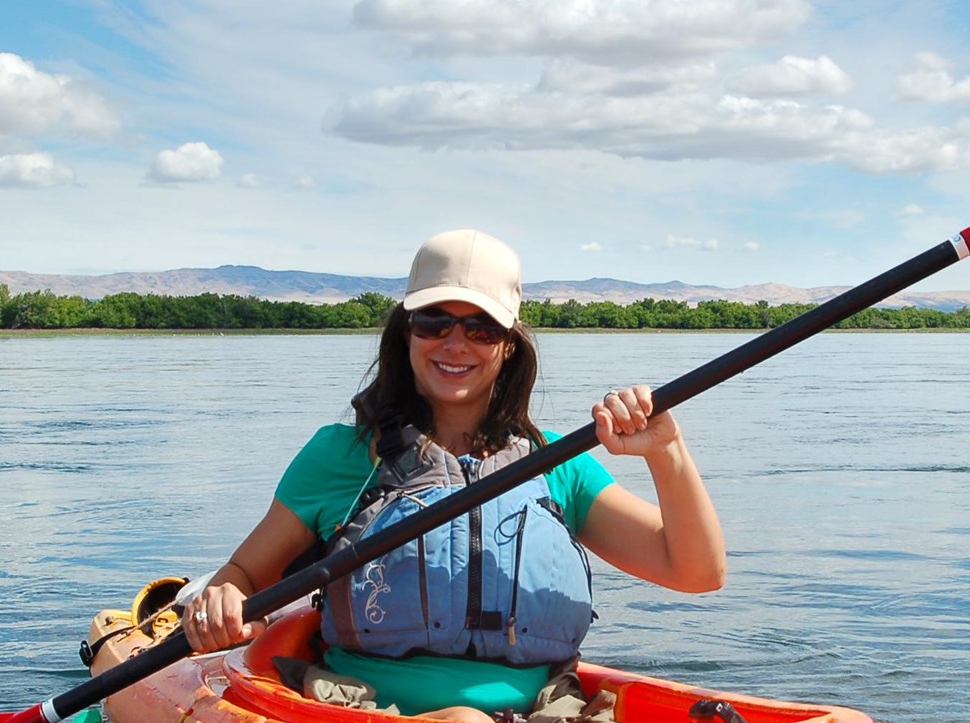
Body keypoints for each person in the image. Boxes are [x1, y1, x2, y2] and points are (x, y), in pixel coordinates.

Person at [182, 229, 726, 722]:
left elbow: (697, 571)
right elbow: (244, 576)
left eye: (481, 328)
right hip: (360, 708)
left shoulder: (557, 463)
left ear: (509, 344)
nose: (456, 343)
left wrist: (667, 450)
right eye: (434, 321)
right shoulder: (342, 456)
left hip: (541, 713)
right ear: (407, 332)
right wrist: (222, 601)